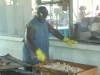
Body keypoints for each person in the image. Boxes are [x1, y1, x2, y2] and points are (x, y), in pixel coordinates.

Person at [22, 6, 78, 72]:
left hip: (42, 59)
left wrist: (65, 39)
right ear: (37, 14)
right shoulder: (31, 25)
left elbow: (54, 31)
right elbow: (28, 40)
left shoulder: (45, 23)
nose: (44, 17)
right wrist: (38, 52)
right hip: (31, 60)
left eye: (45, 16)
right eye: (42, 15)